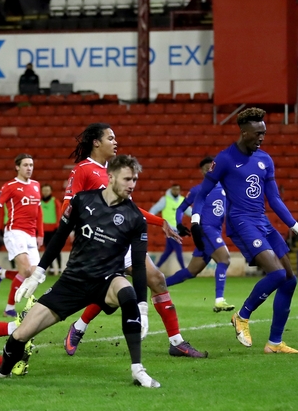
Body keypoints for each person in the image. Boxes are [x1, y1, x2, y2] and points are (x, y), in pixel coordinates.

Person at [0, 155, 160, 388]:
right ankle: (2, 372)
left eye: (135, 180)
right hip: (72, 282)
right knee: (21, 333)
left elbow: (138, 265)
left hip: (107, 280)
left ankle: (138, 369)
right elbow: (58, 238)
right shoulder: (82, 201)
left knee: (126, 292)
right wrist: (38, 274)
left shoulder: (135, 217)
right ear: (111, 177)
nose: (132, 185)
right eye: (127, 179)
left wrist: (142, 307)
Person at [188, 107, 298, 355]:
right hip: (241, 222)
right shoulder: (225, 159)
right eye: (257, 133)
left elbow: (274, 199)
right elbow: (202, 193)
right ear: (244, 133)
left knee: (289, 280)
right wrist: (196, 220)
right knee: (276, 274)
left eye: (264, 133)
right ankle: (241, 316)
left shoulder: (265, 159)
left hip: (262, 222)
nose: (262, 137)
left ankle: (274, 343)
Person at [62, 123, 205, 358]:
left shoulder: (112, 171)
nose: (115, 142)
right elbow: (69, 205)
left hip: (123, 238)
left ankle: (176, 342)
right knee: (115, 292)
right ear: (96, 142)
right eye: (110, 138)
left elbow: (130, 208)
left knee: (157, 280)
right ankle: (77, 327)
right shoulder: (83, 169)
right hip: (100, 242)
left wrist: (161, 223)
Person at [167, 157, 235, 313]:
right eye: (205, 168)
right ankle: (219, 300)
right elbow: (180, 208)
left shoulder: (226, 187)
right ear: (202, 171)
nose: (208, 169)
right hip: (206, 230)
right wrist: (179, 224)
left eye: (210, 166)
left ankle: (157, 284)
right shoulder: (199, 190)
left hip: (215, 231)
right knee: (224, 259)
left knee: (191, 272)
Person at [0, 154, 43, 317]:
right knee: (25, 269)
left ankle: (1, 273)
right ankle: (9, 308)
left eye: (31, 165)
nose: (29, 168)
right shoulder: (9, 186)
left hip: (31, 234)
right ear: (17, 167)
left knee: (33, 274)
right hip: (15, 231)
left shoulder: (36, 185)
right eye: (25, 165)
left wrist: (40, 234)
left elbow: (38, 211)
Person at [148, 184, 186, 270]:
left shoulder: (182, 200)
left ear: (180, 191)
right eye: (174, 189)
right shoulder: (165, 200)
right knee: (179, 249)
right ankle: (184, 270)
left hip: (177, 229)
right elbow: (154, 209)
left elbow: (189, 211)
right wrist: (149, 218)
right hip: (170, 229)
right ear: (171, 189)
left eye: (177, 189)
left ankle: (155, 268)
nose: (176, 191)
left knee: (167, 252)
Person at [39, 183, 63, 275]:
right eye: (44, 190)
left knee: (56, 249)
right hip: (44, 229)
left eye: (47, 190)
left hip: (54, 229)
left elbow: (59, 214)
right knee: (47, 249)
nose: (45, 192)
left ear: (51, 191)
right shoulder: (39, 202)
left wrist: (58, 227)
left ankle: (60, 267)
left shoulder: (55, 201)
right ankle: (52, 268)